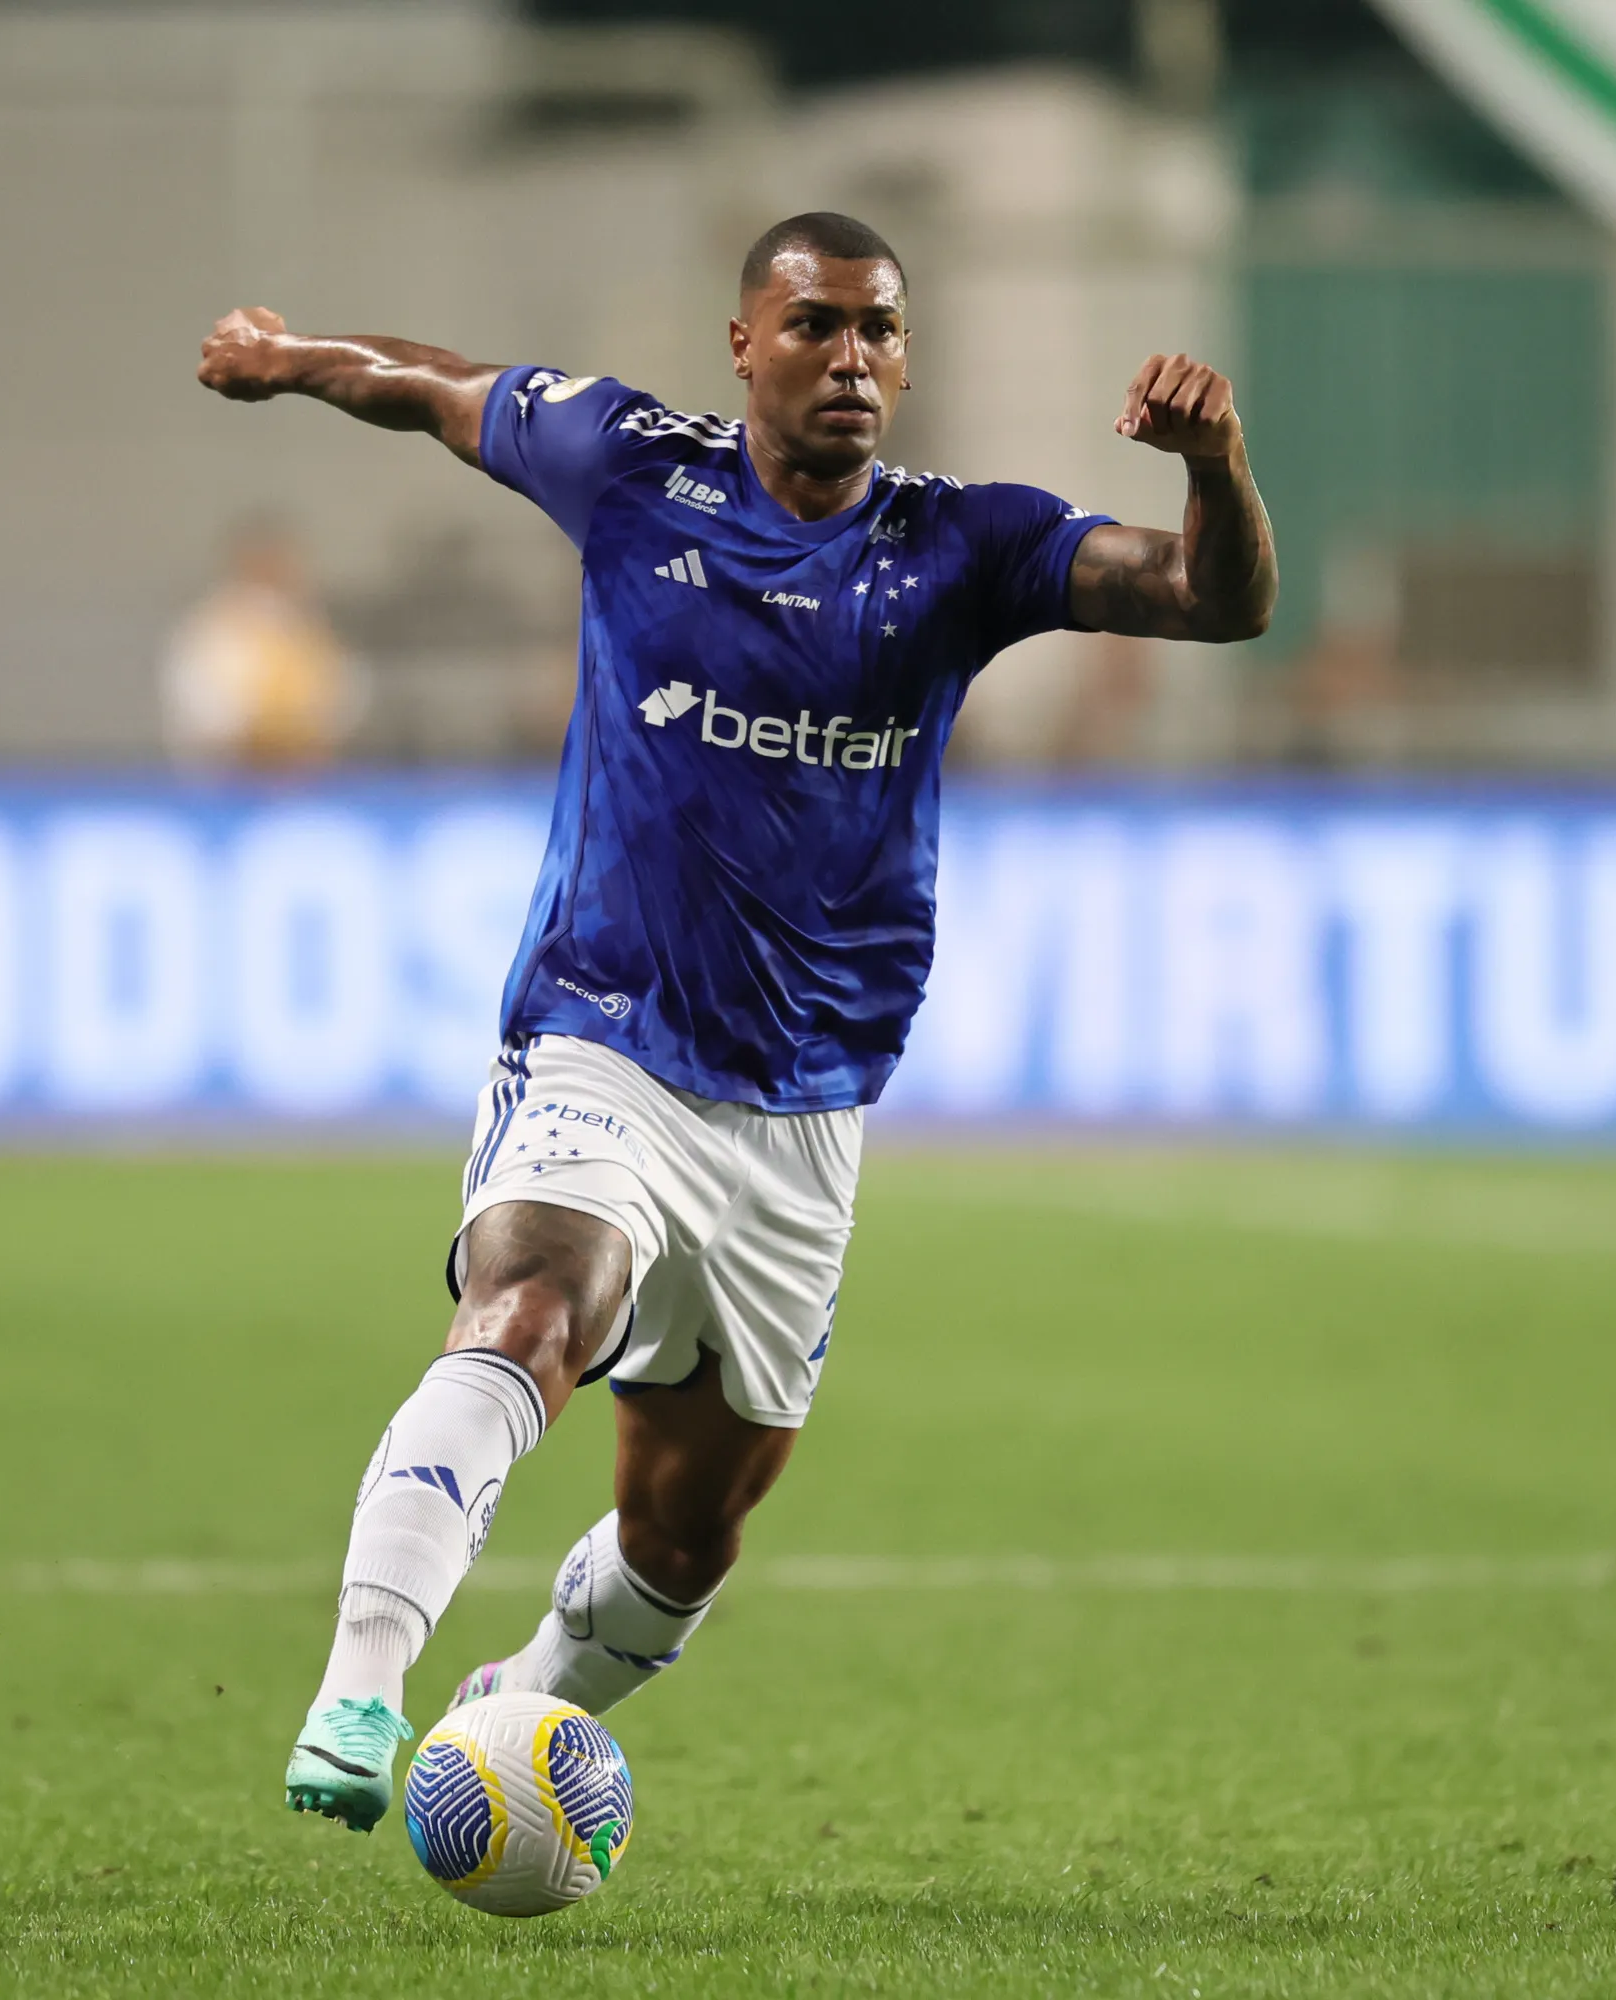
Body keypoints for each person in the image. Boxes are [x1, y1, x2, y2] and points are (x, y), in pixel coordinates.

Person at [194, 210, 1277, 1832]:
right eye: (819, 325)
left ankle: (516, 1724)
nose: (853, 359)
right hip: (606, 1034)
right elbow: (436, 389)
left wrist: (1218, 462)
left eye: (881, 334)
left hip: (809, 1107)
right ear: (745, 344)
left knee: (686, 1535)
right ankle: (361, 1685)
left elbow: (1214, 597)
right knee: (530, 1305)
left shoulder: (960, 545)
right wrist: (294, 363)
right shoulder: (632, 466)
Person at [159, 519, 367, 770]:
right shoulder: (208, 631)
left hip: (305, 779)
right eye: (262, 564)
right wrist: (261, 735)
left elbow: (342, 699)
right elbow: (198, 709)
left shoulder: (309, 631)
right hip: (226, 783)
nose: (271, 573)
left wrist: (308, 734)